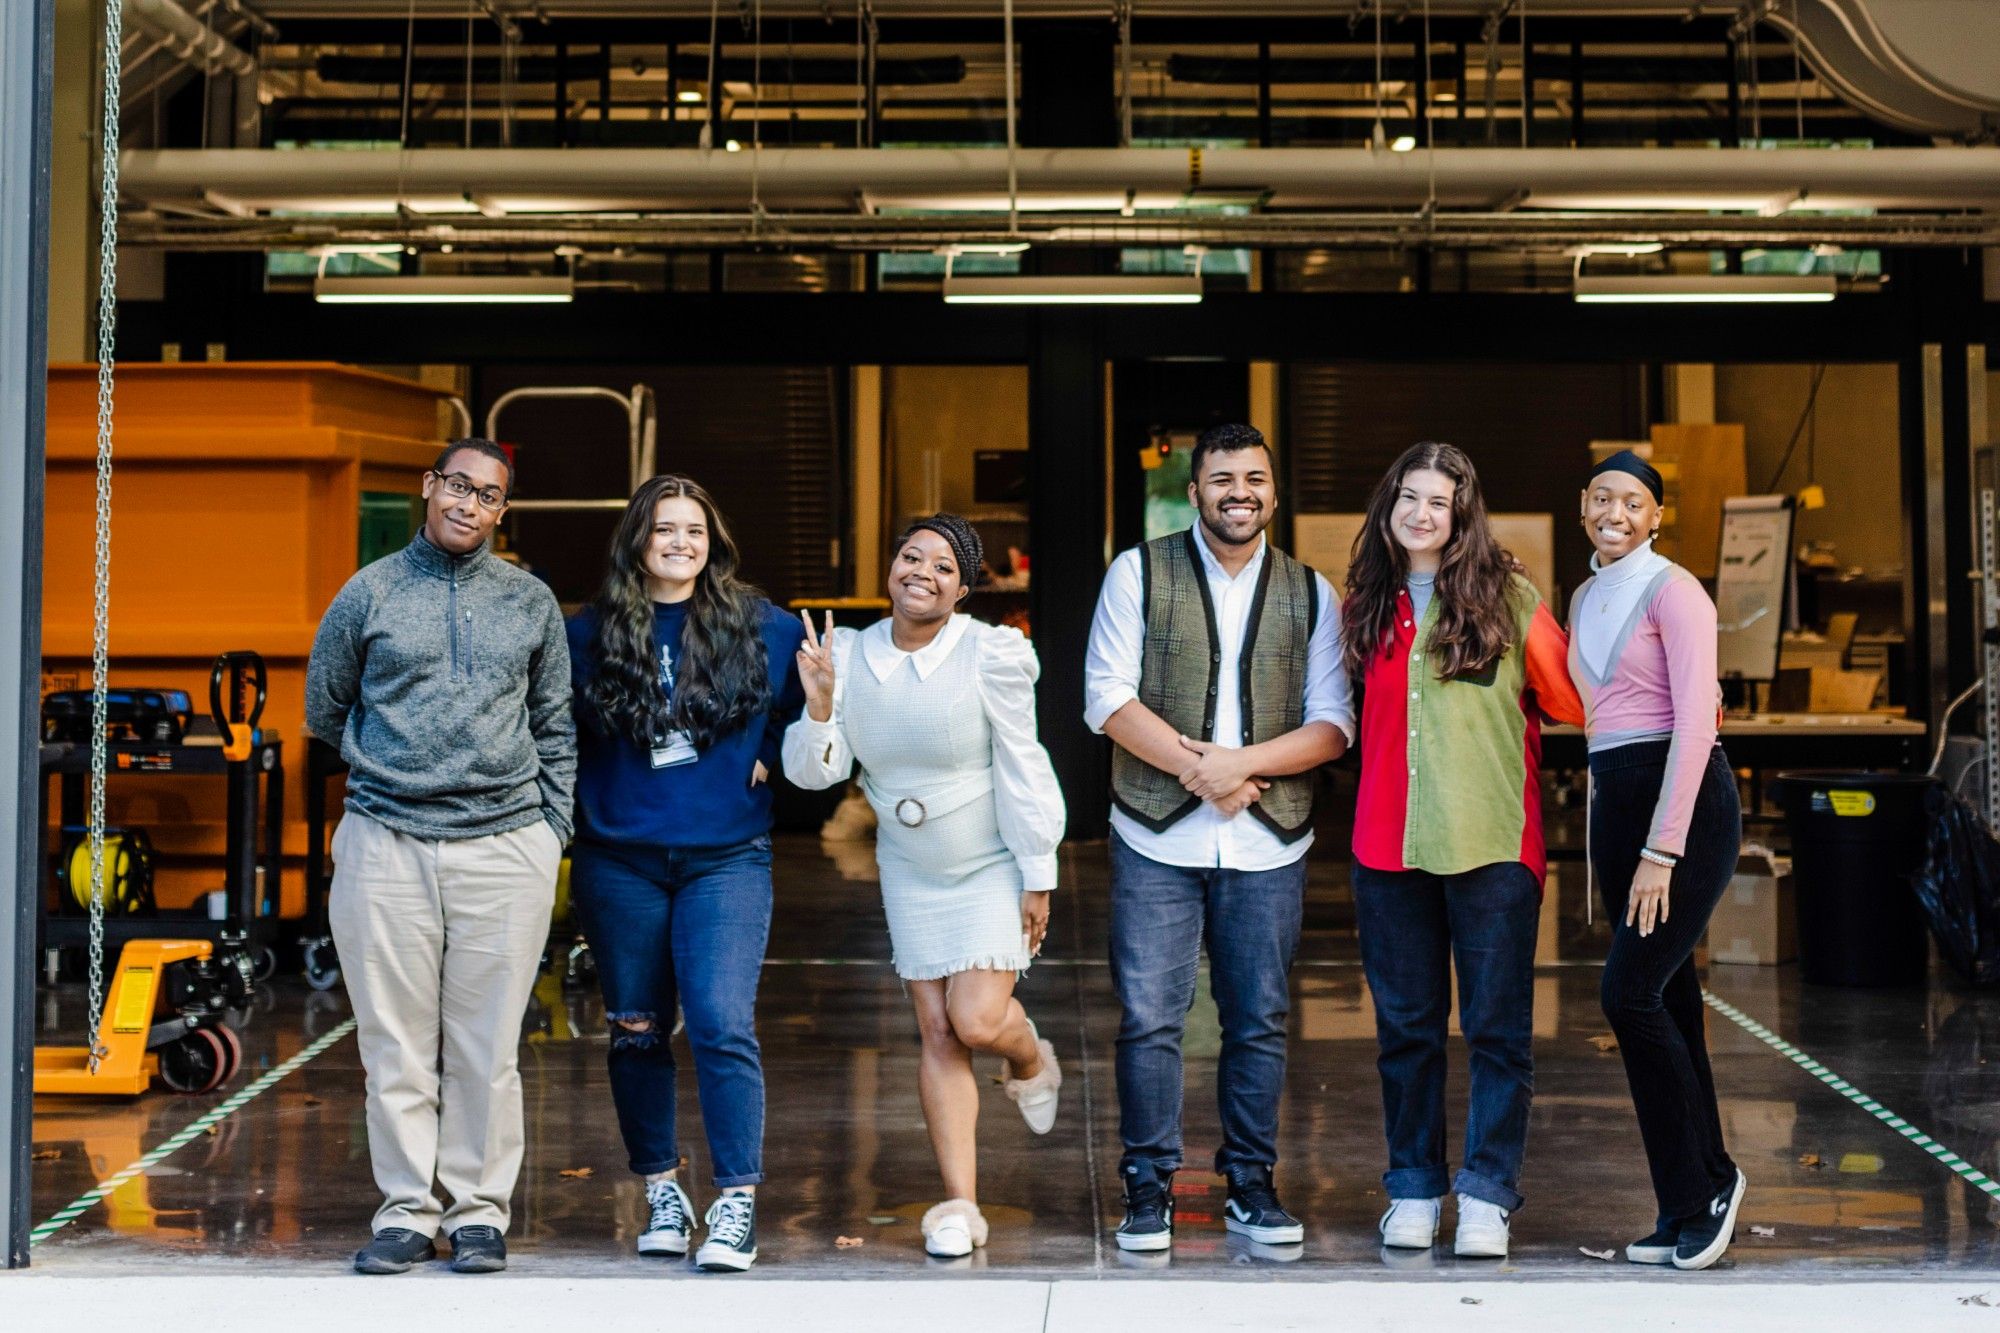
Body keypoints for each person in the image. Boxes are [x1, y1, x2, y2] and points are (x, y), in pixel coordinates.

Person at [306, 438, 574, 1276]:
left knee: (486, 1046)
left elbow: (556, 723)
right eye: (458, 486)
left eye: (488, 496)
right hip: (387, 840)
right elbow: (325, 707)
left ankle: (479, 1211)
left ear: (502, 511)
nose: (469, 504)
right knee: (393, 1043)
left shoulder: (530, 602)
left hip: (503, 844)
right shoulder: (369, 592)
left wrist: (549, 831)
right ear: (429, 487)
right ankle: (406, 1210)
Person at [1083, 422, 1354, 1253]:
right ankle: (1148, 1184)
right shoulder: (1137, 570)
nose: (1240, 492)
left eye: (1255, 479)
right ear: (1193, 491)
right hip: (1155, 835)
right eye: (1222, 478)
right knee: (1151, 1018)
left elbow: (1335, 723)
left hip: (1268, 840)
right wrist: (1205, 772)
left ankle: (1250, 1181)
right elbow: (1105, 697)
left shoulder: (1314, 592)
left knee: (1260, 1018)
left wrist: (1242, 766)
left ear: (1275, 492)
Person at [783, 514, 1066, 1259]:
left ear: (964, 588)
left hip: (989, 858)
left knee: (976, 1019)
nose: (923, 573)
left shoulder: (991, 652)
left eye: (944, 567)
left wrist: (1039, 870)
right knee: (937, 1030)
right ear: (892, 566)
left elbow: (1023, 757)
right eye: (913, 557)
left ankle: (1030, 1055)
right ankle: (960, 1204)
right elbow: (817, 772)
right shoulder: (849, 653)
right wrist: (819, 704)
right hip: (908, 865)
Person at [1344, 440, 1582, 1261]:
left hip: (1490, 845)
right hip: (1387, 849)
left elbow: (1576, 696)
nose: (1421, 513)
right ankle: (1413, 1187)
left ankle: (1485, 1195)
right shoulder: (1365, 607)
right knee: (1406, 1030)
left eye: (1439, 501)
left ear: (1462, 514)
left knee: (1496, 1031)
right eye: (1408, 497)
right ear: (1388, 506)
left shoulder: (1510, 600)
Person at [566, 475, 806, 1273]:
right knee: (636, 1029)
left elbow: (812, 729)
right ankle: (663, 1192)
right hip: (619, 858)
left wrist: (774, 754)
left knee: (719, 1020)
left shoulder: (765, 628)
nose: (680, 542)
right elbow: (549, 729)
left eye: (694, 530)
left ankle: (735, 1202)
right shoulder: (587, 633)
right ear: (638, 538)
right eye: (664, 528)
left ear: (714, 541)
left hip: (726, 858)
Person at [1571, 449, 1745, 1271]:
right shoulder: (1582, 594)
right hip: (1616, 791)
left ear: (1656, 515)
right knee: (1670, 999)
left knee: (1628, 991)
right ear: (1583, 506)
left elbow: (1696, 725)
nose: (1616, 511)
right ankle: (1683, 1201)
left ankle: (1713, 1179)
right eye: (1603, 496)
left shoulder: (1676, 590)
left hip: (1683, 804)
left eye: (1633, 500)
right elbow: (1597, 710)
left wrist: (1661, 848)